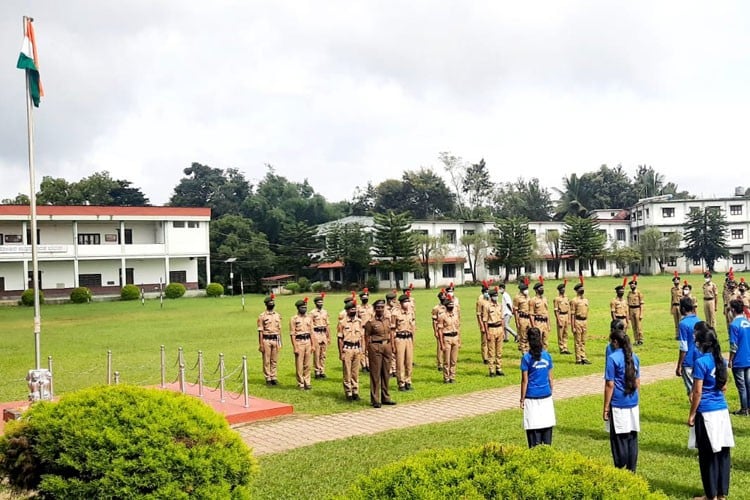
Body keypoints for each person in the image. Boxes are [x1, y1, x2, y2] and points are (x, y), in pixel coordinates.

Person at [688, 323, 734, 500]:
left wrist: (692, 414)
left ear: (701, 343)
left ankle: (710, 495)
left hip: (706, 413)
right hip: (722, 411)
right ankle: (721, 493)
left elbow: (697, 392)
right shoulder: (720, 360)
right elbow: (723, 388)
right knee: (723, 453)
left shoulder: (701, 362)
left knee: (707, 455)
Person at [603, 320, 640, 472]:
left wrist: (606, 407)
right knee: (632, 437)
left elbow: (609, 384)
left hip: (618, 403)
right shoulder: (634, 357)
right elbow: (637, 381)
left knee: (619, 439)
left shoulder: (613, 358)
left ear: (615, 342)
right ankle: (632, 469)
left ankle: (621, 469)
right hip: (632, 401)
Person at [520, 327, 555, 448]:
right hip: (546, 395)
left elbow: (525, 381)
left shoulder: (526, 358)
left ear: (528, 340)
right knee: (546, 427)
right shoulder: (547, 356)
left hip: (531, 396)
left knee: (533, 430)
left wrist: (522, 399)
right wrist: (550, 391)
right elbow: (551, 379)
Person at [363, 299, 396, 408]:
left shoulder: (387, 320)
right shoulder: (370, 322)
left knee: (386, 373)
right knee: (375, 374)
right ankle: (375, 399)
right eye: (378, 307)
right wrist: (368, 349)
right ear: (374, 309)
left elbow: (390, 333)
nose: (380, 309)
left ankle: (386, 397)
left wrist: (392, 346)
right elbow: (366, 336)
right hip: (375, 347)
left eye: (382, 307)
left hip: (387, 346)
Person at [337, 301, 363, 401]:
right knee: (347, 372)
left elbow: (361, 337)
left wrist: (361, 349)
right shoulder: (342, 323)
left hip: (356, 348)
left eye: (354, 309)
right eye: (351, 309)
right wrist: (341, 352)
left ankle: (355, 391)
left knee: (355, 372)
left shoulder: (359, 322)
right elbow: (340, 339)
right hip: (347, 349)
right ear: (347, 311)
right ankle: (348, 392)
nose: (353, 310)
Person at [729, 298, 750, 416]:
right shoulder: (748, 322)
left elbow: (734, 345)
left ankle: (744, 409)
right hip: (748, 357)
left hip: (739, 359)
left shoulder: (734, 325)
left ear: (732, 309)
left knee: (741, 386)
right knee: (749, 384)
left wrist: (731, 360)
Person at [676, 296, 701, 396]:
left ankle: (696, 411)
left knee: (692, 391)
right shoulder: (698, 320)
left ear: (682, 309)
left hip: (689, 361)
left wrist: (679, 365)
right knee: (699, 388)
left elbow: (683, 347)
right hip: (699, 358)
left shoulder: (683, 324)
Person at [392, 294, 416, 391]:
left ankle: (408, 381)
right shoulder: (396, 313)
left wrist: (413, 339)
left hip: (409, 338)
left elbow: (413, 327)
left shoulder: (411, 312)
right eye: (405, 302)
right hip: (399, 338)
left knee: (409, 361)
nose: (407, 303)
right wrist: (393, 344)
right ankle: (401, 383)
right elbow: (392, 330)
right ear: (401, 303)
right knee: (400, 362)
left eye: (408, 301)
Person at [290, 298, 314, 390]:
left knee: (308, 364)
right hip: (299, 342)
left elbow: (311, 332)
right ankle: (300, 383)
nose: (304, 309)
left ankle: (307, 381)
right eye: (302, 307)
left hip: (308, 341)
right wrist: (295, 347)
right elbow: (292, 334)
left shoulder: (309, 318)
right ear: (298, 308)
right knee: (299, 364)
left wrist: (313, 345)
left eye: (305, 307)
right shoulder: (294, 319)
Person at [257, 294, 282, 386]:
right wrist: (261, 344)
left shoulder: (277, 315)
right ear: (266, 304)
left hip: (275, 339)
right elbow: (260, 331)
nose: (272, 304)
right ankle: (268, 377)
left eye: (273, 302)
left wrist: (280, 342)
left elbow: (279, 330)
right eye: (270, 303)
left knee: (274, 360)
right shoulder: (262, 316)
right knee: (266, 360)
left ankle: (274, 377)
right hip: (266, 339)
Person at [482, 287, 506, 377]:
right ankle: (491, 370)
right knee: (491, 351)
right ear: (491, 297)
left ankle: (499, 368)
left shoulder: (500, 305)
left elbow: (502, 318)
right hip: (491, 328)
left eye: (497, 295)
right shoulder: (487, 306)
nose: (496, 297)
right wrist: (487, 333)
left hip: (499, 328)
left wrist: (503, 331)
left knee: (499, 351)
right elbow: (485, 320)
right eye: (494, 296)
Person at [437, 297, 461, 383]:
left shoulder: (456, 315)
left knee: (453, 360)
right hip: (446, 338)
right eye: (450, 305)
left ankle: (452, 376)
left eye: (452, 305)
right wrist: (441, 343)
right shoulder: (442, 316)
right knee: (446, 360)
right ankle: (446, 377)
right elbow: (439, 330)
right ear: (446, 306)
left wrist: (459, 340)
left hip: (455, 337)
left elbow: (458, 328)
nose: (451, 306)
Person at [570, 280, 591, 365]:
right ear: (577, 290)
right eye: (580, 288)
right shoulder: (574, 301)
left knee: (583, 340)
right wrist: (573, 326)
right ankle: (578, 358)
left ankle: (583, 356)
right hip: (577, 321)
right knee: (578, 340)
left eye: (582, 288)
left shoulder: (586, 300)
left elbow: (587, 311)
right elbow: (572, 314)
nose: (582, 289)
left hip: (584, 321)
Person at [310, 294, 330, 379]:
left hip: (323, 334)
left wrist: (328, 336)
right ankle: (317, 371)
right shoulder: (312, 313)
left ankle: (322, 370)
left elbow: (327, 325)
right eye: (318, 302)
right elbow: (310, 326)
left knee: (323, 354)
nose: (320, 303)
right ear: (315, 303)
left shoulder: (325, 312)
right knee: (317, 354)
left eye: (321, 302)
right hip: (316, 333)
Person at [529, 278, 550, 350]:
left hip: (545, 322)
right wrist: (533, 326)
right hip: (538, 322)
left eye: (542, 288)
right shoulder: (533, 300)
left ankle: (544, 355)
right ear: (536, 290)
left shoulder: (545, 299)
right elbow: (531, 314)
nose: (542, 289)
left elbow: (547, 313)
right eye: (540, 288)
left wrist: (548, 324)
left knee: (546, 341)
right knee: (538, 341)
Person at [357, 288, 374, 373]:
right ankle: (363, 365)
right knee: (362, 348)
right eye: (363, 297)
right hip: (362, 330)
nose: (365, 299)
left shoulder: (371, 307)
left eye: (366, 297)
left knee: (369, 348)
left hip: (370, 330)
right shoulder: (358, 308)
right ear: (360, 298)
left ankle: (369, 364)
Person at [553, 280, 571, 355]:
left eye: (564, 289)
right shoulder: (557, 299)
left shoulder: (566, 298)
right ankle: (561, 348)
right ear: (559, 290)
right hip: (560, 316)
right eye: (562, 289)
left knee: (566, 333)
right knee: (560, 333)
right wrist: (558, 320)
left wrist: (569, 319)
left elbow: (569, 308)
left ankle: (565, 347)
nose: (563, 290)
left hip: (566, 315)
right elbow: (556, 310)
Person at [513, 280, 532, 353]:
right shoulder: (517, 298)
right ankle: (524, 351)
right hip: (522, 318)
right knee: (523, 335)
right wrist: (517, 322)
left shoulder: (528, 297)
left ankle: (528, 349)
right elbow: (515, 311)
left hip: (529, 318)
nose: (526, 290)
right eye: (525, 289)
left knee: (529, 335)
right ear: (521, 290)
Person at [626, 275, 645, 345]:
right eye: (630, 285)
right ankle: (636, 339)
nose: (631, 286)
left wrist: (641, 314)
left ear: (635, 285)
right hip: (631, 309)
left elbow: (642, 304)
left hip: (637, 309)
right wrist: (628, 314)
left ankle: (641, 339)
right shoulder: (629, 293)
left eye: (633, 285)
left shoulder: (639, 293)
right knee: (633, 326)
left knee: (638, 326)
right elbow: (627, 304)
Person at [476, 283, 490, 363]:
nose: (487, 293)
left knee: (490, 341)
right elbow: (478, 315)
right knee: (484, 341)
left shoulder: (490, 300)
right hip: (484, 323)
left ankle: (490, 355)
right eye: (486, 291)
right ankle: (485, 358)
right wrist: (481, 326)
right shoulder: (480, 301)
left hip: (491, 323)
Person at [435, 289, 449, 369]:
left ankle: (446, 362)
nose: (444, 297)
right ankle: (440, 363)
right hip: (440, 329)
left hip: (448, 329)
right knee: (440, 347)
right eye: (442, 296)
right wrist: (435, 331)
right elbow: (434, 321)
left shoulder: (449, 307)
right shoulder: (436, 308)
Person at [670, 272, 682, 339]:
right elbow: (671, 299)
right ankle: (677, 335)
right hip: (674, 306)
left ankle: (681, 334)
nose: (676, 281)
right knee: (676, 322)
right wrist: (671, 308)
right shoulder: (672, 289)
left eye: (677, 280)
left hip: (680, 306)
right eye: (675, 281)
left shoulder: (682, 289)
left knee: (681, 322)